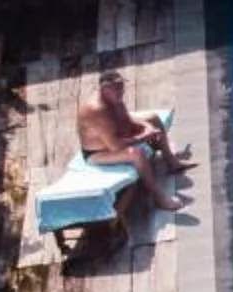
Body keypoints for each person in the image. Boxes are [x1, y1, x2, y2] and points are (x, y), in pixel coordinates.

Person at [77, 71, 186, 212]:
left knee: (152, 117)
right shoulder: (97, 111)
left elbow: (127, 119)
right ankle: (158, 197)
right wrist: (146, 136)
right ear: (104, 89)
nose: (121, 92)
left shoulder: (114, 98)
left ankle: (171, 162)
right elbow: (116, 146)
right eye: (117, 89)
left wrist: (147, 127)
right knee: (135, 154)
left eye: (122, 88)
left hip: (115, 135)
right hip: (98, 152)